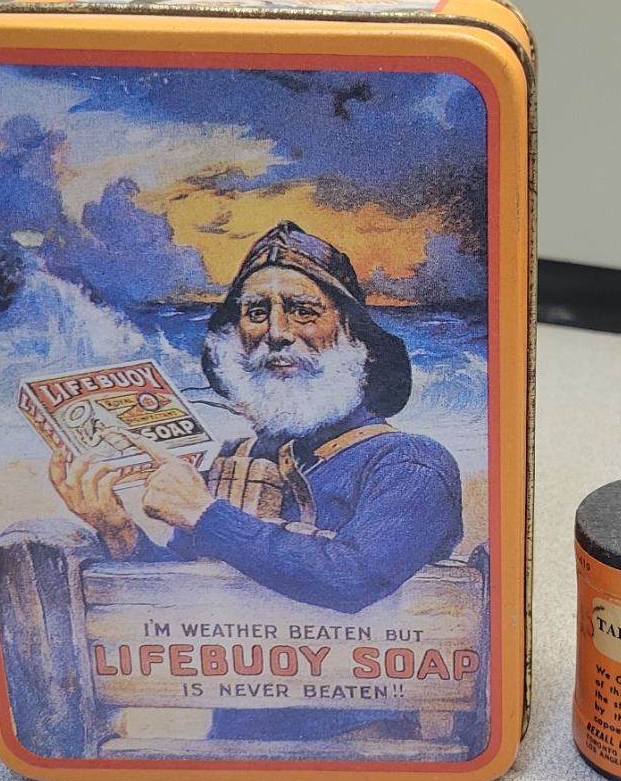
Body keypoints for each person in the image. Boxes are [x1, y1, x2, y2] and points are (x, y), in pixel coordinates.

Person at [48, 220, 464, 614]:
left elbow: (354, 577)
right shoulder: (235, 458)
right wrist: (118, 529)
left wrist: (204, 514)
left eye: (303, 310)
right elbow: (178, 593)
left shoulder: (409, 464)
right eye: (257, 313)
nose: (276, 332)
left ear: (353, 335)